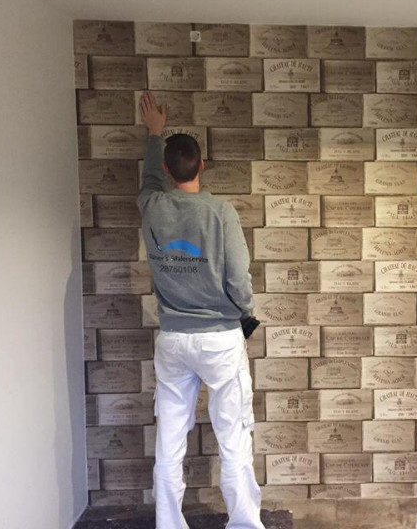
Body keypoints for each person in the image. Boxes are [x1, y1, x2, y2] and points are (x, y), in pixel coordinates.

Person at [136, 92, 264, 529]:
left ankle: (169, 524)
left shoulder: (151, 205)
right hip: (219, 339)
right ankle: (243, 524)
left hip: (173, 340)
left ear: (167, 170)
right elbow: (239, 278)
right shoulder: (220, 212)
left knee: (170, 441)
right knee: (233, 439)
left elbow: (149, 179)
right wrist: (245, 314)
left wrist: (154, 134)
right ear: (202, 166)